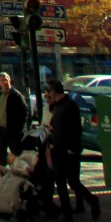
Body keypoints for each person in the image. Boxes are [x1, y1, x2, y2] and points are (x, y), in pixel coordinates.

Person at [45, 79, 101, 220]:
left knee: (73, 182)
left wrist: (73, 148)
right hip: (57, 149)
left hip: (69, 150)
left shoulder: (70, 106)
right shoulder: (56, 106)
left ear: (54, 91)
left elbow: (76, 129)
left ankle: (92, 200)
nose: (48, 94)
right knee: (61, 183)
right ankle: (67, 213)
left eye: (49, 91)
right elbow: (54, 125)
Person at [0, 71, 30, 174]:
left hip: (12, 131)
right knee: (2, 156)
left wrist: (20, 128)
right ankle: (4, 177)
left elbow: (25, 112)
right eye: (2, 80)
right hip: (1, 129)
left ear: (9, 80)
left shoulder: (16, 95)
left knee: (16, 154)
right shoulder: (0, 94)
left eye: (5, 80)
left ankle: (18, 174)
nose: (4, 82)